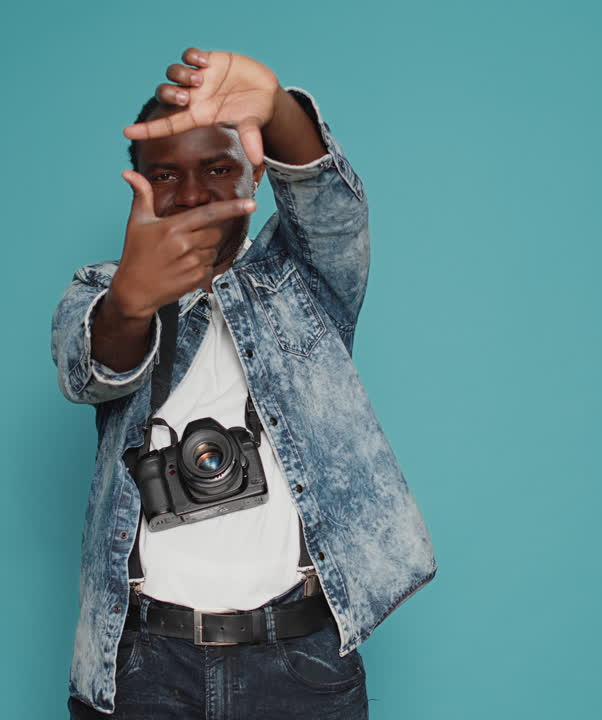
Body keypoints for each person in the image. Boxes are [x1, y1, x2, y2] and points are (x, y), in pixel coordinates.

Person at [52, 47, 437, 718]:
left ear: (254, 175)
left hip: (300, 657)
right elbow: (90, 369)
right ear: (135, 184)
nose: (195, 193)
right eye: (166, 174)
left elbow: (333, 209)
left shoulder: (304, 284)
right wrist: (130, 302)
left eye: (219, 168)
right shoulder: (100, 292)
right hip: (146, 662)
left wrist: (278, 109)